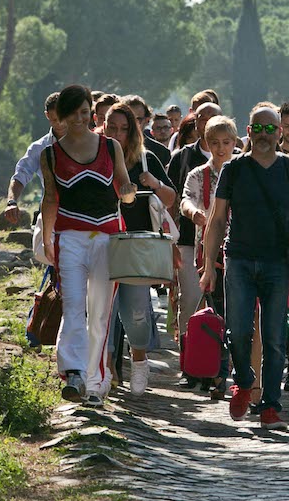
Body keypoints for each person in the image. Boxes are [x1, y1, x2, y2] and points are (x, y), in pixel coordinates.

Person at [199, 105, 289, 431]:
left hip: (277, 262)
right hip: (238, 259)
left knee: (274, 337)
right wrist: (209, 266)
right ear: (248, 133)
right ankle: (243, 380)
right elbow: (217, 218)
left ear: (280, 133)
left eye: (271, 129)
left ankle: (270, 406)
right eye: (258, 129)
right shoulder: (234, 169)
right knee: (238, 331)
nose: (265, 135)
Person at [40, 85, 136, 406]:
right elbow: (50, 198)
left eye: (85, 112)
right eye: (74, 113)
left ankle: (97, 382)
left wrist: (129, 191)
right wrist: (47, 238)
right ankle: (74, 374)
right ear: (63, 117)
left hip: (108, 238)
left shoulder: (111, 148)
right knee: (73, 307)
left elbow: (124, 187)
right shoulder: (50, 154)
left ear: (91, 113)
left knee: (100, 313)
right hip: (69, 238)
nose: (81, 118)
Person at [103, 102, 177, 396]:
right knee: (101, 312)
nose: (118, 134)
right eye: (113, 128)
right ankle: (105, 370)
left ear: (133, 131)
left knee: (135, 313)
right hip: (103, 242)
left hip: (137, 245)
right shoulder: (94, 157)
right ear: (103, 126)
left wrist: (154, 183)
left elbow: (171, 200)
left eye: (124, 129)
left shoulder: (145, 160)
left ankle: (139, 359)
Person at [181, 116, 240, 399]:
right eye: (214, 143)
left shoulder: (243, 169)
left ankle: (227, 371)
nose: (220, 148)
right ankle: (216, 372)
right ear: (205, 142)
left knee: (236, 314)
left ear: (235, 142)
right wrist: (194, 212)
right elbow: (186, 199)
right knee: (216, 311)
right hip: (209, 253)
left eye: (226, 143)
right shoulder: (198, 174)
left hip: (241, 249)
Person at [167, 102, 224, 388]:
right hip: (191, 241)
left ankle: (220, 367)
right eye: (203, 118)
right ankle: (191, 365)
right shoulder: (183, 159)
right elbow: (178, 198)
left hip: (232, 245)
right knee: (190, 301)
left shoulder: (239, 162)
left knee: (226, 306)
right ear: (195, 122)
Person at [2, 92, 64, 264]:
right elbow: (21, 174)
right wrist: (12, 201)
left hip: (84, 213)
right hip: (52, 211)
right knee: (46, 255)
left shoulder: (90, 143)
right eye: (54, 120)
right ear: (47, 116)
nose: (59, 124)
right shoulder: (40, 148)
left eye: (62, 118)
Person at [123, 94, 171, 167]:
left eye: (138, 119)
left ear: (147, 120)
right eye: (129, 118)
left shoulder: (161, 152)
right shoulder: (110, 147)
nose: (132, 123)